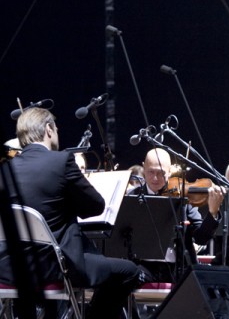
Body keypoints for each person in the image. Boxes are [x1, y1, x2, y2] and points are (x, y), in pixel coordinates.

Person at [0, 108, 148, 319]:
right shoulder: (61, 161)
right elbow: (96, 206)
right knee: (129, 271)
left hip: (11, 269)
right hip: (55, 267)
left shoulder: (5, 170)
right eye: (56, 129)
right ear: (49, 129)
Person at [127, 148, 224, 267]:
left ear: (170, 171)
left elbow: (201, 239)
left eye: (161, 173)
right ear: (144, 167)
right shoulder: (132, 197)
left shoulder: (182, 195)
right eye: (151, 172)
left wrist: (213, 212)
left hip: (178, 267)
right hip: (141, 265)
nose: (155, 178)